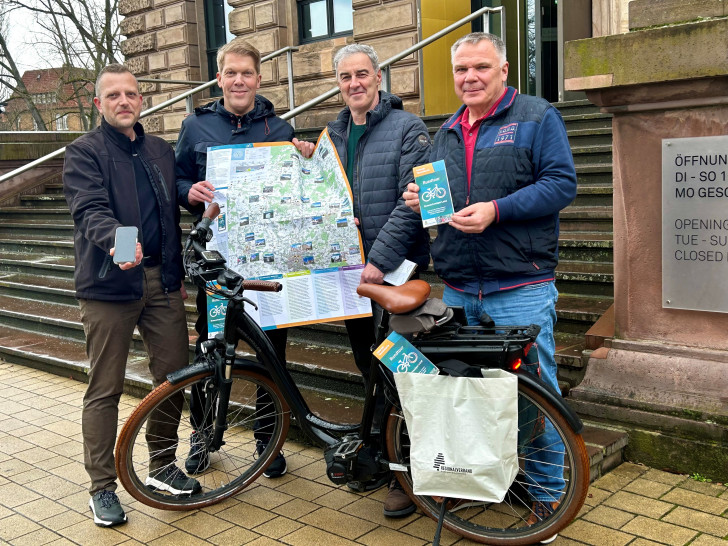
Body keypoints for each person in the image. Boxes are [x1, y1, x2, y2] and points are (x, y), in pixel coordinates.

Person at [404, 32, 577, 537]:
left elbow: (561, 184)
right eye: (461, 70)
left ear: (505, 70)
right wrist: (420, 200)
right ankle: (484, 477)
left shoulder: (537, 116)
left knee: (531, 391)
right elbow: (439, 200)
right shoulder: (446, 132)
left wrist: (498, 211)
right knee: (471, 395)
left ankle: (546, 493)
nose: (470, 78)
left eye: (481, 67)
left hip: (519, 285)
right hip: (458, 286)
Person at [294, 43, 431, 518]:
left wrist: (380, 257)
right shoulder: (331, 133)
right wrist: (307, 159)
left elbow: (412, 202)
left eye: (362, 74)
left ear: (378, 77)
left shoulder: (407, 128)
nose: (355, 83)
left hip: (391, 276)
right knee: (369, 366)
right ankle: (382, 456)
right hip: (350, 277)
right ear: (338, 84)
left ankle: (407, 476)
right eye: (345, 77)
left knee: (400, 372)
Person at [62, 64, 201, 527]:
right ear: (99, 104)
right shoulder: (84, 152)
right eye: (114, 95)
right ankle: (102, 486)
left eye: (132, 94)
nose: (125, 101)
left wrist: (199, 198)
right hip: (108, 285)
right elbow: (90, 210)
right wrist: (120, 244)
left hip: (161, 283)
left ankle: (162, 464)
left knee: (174, 374)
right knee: (106, 388)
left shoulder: (160, 149)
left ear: (141, 101)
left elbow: (172, 203)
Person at [175, 39, 294, 479]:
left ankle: (269, 439)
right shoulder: (195, 126)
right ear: (220, 78)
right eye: (231, 73)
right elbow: (176, 178)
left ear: (259, 79)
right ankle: (204, 436)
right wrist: (187, 192)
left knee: (271, 354)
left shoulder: (280, 130)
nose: (239, 80)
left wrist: (305, 158)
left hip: (267, 267)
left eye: (247, 73)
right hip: (217, 267)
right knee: (211, 350)